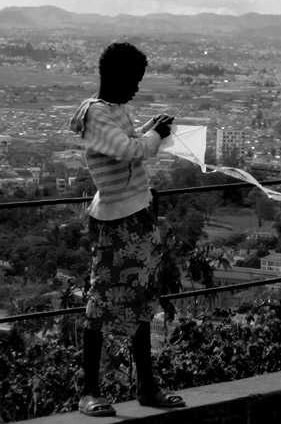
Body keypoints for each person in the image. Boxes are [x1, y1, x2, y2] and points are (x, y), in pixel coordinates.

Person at [69, 42, 185, 416]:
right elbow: (129, 151)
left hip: (138, 214)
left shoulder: (117, 110)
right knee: (101, 302)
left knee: (141, 302)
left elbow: (132, 145)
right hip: (115, 220)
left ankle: (147, 386)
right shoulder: (96, 115)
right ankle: (89, 390)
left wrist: (151, 129)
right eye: (134, 80)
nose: (136, 88)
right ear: (115, 77)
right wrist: (155, 137)